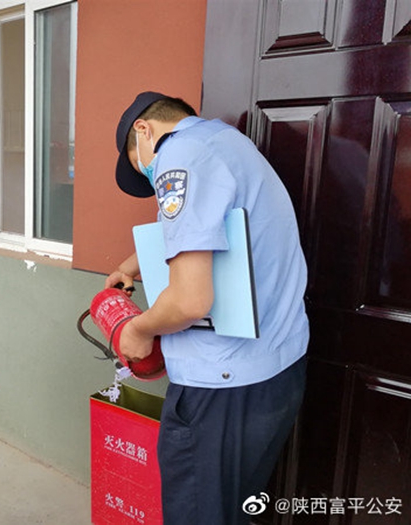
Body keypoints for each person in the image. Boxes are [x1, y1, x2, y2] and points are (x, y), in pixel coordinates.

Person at [107, 92, 309, 524]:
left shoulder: (179, 154)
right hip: (276, 371)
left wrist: (139, 331)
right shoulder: (225, 142)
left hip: (222, 386)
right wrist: (131, 264)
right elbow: (206, 228)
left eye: (139, 161)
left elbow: (190, 301)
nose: (150, 172)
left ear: (143, 130)